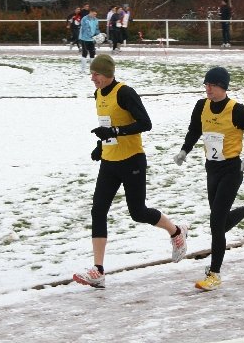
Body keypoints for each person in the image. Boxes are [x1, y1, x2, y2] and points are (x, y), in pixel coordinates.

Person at [73, 54, 188, 289]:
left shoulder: (125, 93)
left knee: (137, 212)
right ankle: (98, 270)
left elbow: (145, 123)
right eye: (92, 73)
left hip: (132, 160)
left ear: (107, 74)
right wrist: (100, 145)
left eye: (96, 74)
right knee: (98, 210)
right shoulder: (98, 94)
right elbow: (107, 126)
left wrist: (115, 131)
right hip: (110, 160)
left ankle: (176, 232)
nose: (92, 78)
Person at [174, 66, 244, 291]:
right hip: (212, 169)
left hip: (231, 170)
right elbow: (194, 130)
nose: (208, 89)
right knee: (220, 223)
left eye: (212, 85)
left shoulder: (237, 110)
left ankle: (214, 274)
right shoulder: (201, 106)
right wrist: (184, 150)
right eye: (206, 85)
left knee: (217, 223)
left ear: (223, 87)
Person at [79, 7, 101, 73]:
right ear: (90, 12)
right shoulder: (85, 19)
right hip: (84, 38)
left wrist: (98, 35)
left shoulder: (96, 20)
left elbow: (97, 28)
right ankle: (83, 70)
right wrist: (90, 35)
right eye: (94, 14)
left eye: (96, 14)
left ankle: (92, 70)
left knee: (92, 53)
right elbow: (85, 28)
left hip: (91, 39)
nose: (95, 15)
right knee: (85, 53)